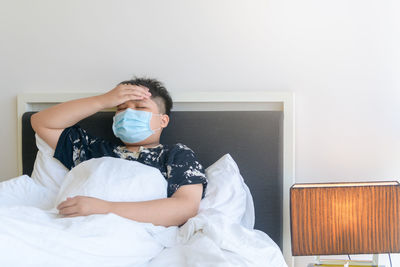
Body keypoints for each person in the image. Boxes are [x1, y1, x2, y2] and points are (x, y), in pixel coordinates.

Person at [31, 77, 207, 227]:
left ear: (163, 120)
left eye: (140, 107)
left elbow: (185, 207)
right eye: (121, 108)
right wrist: (102, 101)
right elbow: (41, 122)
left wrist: (103, 208)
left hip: (128, 232)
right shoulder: (93, 150)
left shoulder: (176, 155)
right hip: (72, 227)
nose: (128, 112)